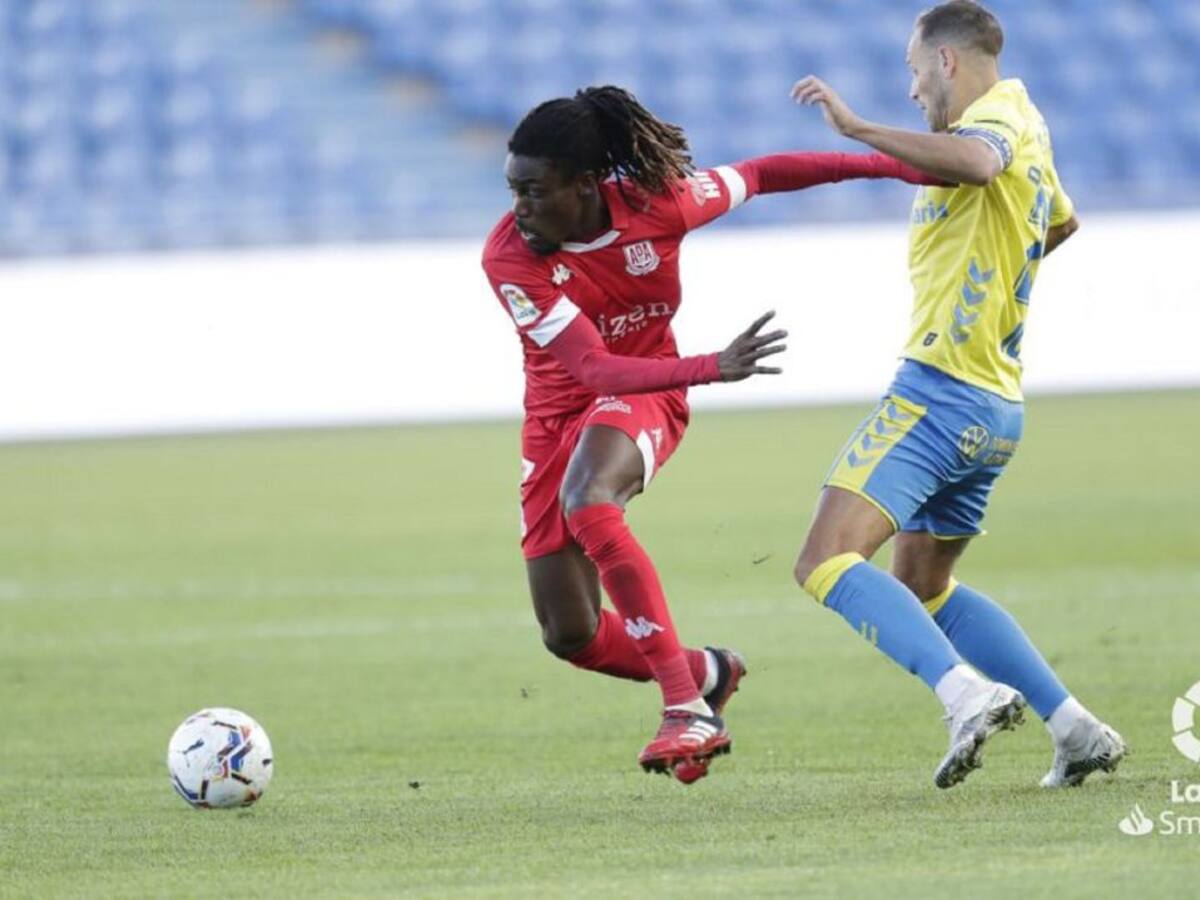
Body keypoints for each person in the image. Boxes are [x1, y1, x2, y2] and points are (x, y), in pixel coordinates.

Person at [482, 85, 939, 783]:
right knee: (568, 633)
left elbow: (762, 174)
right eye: (512, 190)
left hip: (647, 391)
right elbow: (587, 363)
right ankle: (707, 672)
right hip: (559, 417)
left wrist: (902, 168)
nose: (518, 208)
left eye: (532, 191)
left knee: (590, 499)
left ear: (584, 185)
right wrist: (712, 367)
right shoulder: (510, 256)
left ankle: (683, 709)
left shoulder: (658, 205)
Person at [790, 0, 1125, 788]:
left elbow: (979, 167)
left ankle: (963, 692)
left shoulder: (996, 122)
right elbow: (1060, 223)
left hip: (940, 391)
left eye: (913, 72)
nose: (912, 92)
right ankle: (1075, 729)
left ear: (946, 62)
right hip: (997, 406)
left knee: (823, 558)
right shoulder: (1030, 126)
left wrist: (860, 129)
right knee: (923, 585)